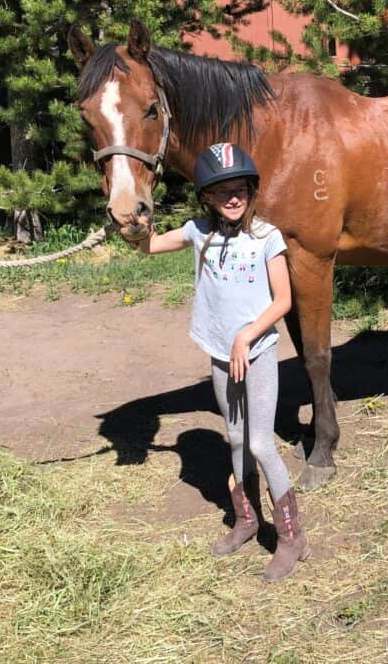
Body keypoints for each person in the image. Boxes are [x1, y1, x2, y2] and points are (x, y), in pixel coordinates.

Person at [135, 142, 309, 581]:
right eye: (221, 190)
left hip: (256, 354)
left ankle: (291, 536)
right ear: (207, 197)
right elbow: (148, 246)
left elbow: (284, 300)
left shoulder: (267, 238)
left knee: (259, 443)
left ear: (251, 191)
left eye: (241, 189)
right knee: (234, 437)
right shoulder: (199, 232)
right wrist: (131, 223)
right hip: (219, 354)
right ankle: (247, 520)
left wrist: (246, 335)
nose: (233, 197)